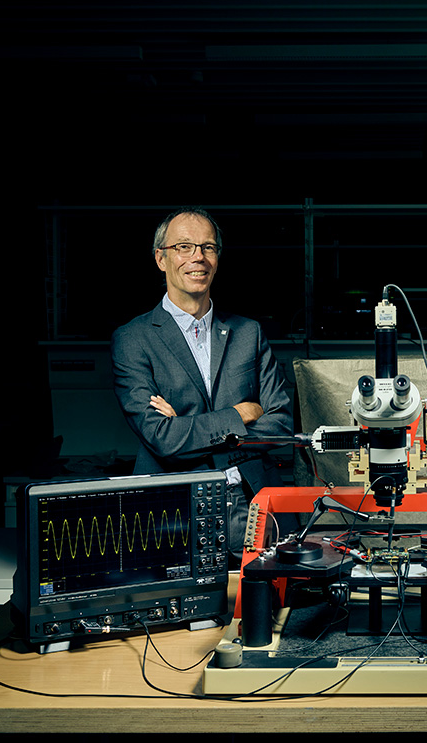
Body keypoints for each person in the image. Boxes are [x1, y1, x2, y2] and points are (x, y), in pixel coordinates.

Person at [111, 206, 293, 555]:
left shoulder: (248, 333)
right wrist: (240, 413)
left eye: (208, 247)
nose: (198, 257)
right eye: (184, 247)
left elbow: (281, 424)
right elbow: (160, 438)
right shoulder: (132, 340)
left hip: (253, 503)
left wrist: (186, 428)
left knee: (279, 606)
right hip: (175, 508)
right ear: (161, 259)